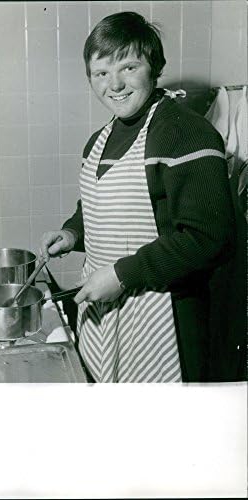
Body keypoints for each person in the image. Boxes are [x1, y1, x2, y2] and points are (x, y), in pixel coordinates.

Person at [39, 12, 236, 383]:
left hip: (163, 318)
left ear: (155, 67)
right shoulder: (99, 139)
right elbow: (100, 205)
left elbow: (209, 236)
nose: (114, 84)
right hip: (106, 311)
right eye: (101, 73)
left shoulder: (186, 133)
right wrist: (71, 234)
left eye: (128, 67)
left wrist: (121, 274)